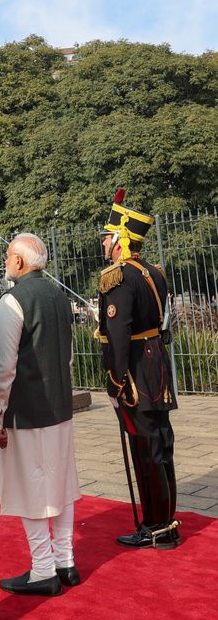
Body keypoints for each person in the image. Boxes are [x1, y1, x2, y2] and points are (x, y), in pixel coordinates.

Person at [0, 233, 81, 597]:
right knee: (61, 483)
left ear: (18, 261)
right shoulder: (59, 295)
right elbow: (69, 356)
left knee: (31, 487)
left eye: (8, 256)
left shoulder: (12, 300)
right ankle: (66, 560)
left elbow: (3, 367)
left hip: (27, 410)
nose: (5, 262)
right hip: (60, 406)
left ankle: (44, 567)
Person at [97, 189, 180, 549]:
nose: (104, 242)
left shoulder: (118, 277)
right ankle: (166, 521)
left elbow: (118, 336)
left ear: (121, 239)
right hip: (156, 362)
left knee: (146, 446)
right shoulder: (153, 272)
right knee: (161, 443)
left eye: (107, 236)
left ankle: (156, 526)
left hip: (134, 371)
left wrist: (115, 380)